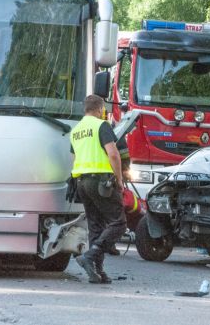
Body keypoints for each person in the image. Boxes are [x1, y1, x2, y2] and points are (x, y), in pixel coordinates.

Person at [70, 95, 126, 284]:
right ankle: (91, 255)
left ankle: (97, 271)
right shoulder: (101, 125)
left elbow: (75, 158)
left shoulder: (76, 130)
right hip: (101, 181)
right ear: (100, 109)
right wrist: (119, 179)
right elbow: (113, 154)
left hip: (82, 183)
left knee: (96, 226)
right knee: (119, 223)